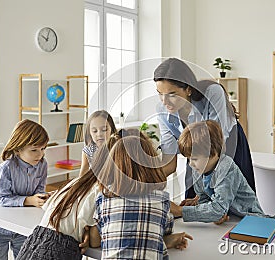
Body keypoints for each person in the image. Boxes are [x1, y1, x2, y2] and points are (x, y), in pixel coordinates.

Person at [154, 57, 255, 198]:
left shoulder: (212, 92)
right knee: (190, 200)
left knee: (235, 202)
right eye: (160, 94)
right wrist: (142, 184)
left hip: (227, 145)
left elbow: (217, 146)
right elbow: (169, 162)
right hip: (195, 154)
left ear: (188, 89)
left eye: (172, 94)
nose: (165, 101)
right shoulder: (162, 111)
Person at [94, 134, 193, 259]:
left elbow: (95, 240)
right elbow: (164, 229)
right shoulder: (161, 199)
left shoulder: (103, 199)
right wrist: (166, 240)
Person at [16, 140, 112, 260]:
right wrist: (88, 232)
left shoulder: (74, 182)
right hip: (60, 248)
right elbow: (95, 241)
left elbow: (50, 209)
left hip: (34, 240)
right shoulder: (101, 190)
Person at [169, 120, 264, 223]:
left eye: (195, 159)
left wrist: (180, 211)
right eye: (189, 159)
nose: (190, 164)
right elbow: (205, 199)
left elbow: (218, 209)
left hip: (251, 219)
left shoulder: (227, 168)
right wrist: (210, 211)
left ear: (213, 153)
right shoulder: (199, 169)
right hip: (230, 219)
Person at [0, 119, 50, 260]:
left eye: (43, 149)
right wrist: (29, 200)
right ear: (18, 149)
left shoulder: (42, 165)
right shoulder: (6, 169)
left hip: (23, 225)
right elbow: (2, 199)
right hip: (0, 227)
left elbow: (39, 189)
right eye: (34, 150)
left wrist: (42, 197)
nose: (39, 154)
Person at [79, 110, 117, 177]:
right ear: (90, 133)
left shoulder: (118, 147)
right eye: (94, 131)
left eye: (104, 129)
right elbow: (82, 175)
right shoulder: (88, 151)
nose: (99, 134)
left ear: (112, 129)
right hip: (96, 184)